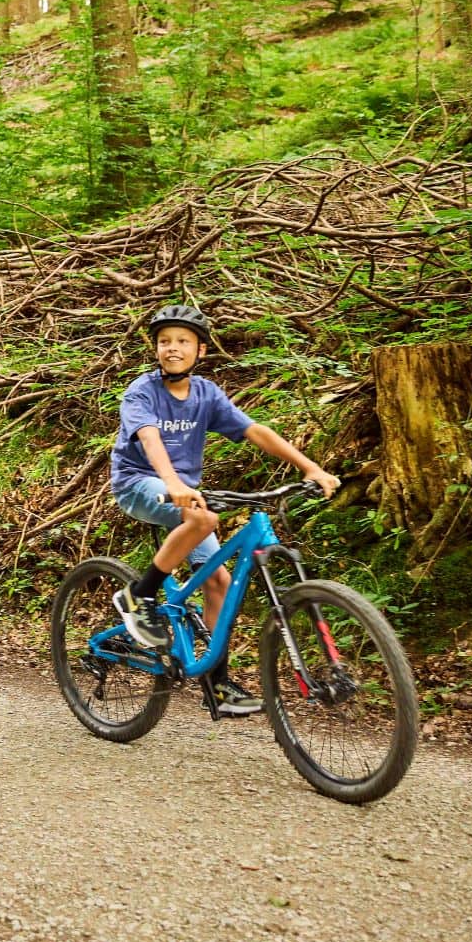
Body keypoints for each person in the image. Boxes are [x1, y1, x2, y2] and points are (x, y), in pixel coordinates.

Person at [109, 304, 340, 716]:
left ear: (200, 350)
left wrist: (310, 467)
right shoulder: (142, 391)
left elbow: (255, 431)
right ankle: (138, 596)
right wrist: (175, 484)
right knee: (203, 517)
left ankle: (216, 686)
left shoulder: (206, 394)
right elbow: (149, 439)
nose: (172, 349)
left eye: (182, 341)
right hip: (139, 483)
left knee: (218, 580)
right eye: (164, 342)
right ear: (155, 349)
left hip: (185, 492)